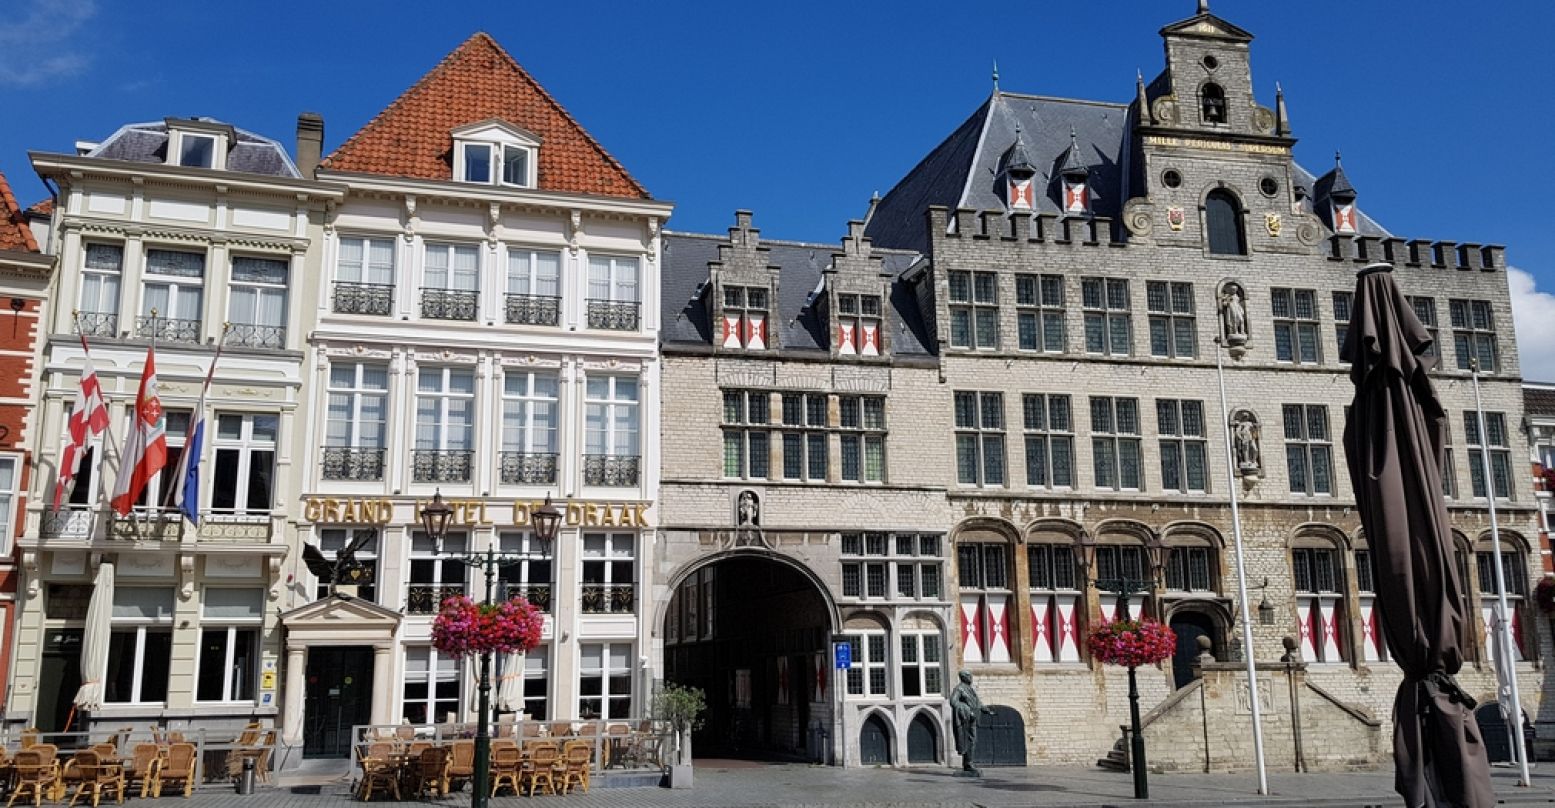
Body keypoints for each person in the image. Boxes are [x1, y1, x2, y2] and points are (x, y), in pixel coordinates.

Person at [949, 670, 995, 775]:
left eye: (970, 676)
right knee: (968, 741)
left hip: (973, 719)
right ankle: (968, 764)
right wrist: (966, 709)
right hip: (966, 719)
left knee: (973, 740)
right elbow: (953, 701)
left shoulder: (970, 689)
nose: (971, 678)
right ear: (964, 677)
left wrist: (986, 710)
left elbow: (977, 703)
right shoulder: (959, 689)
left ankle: (968, 763)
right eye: (969, 676)